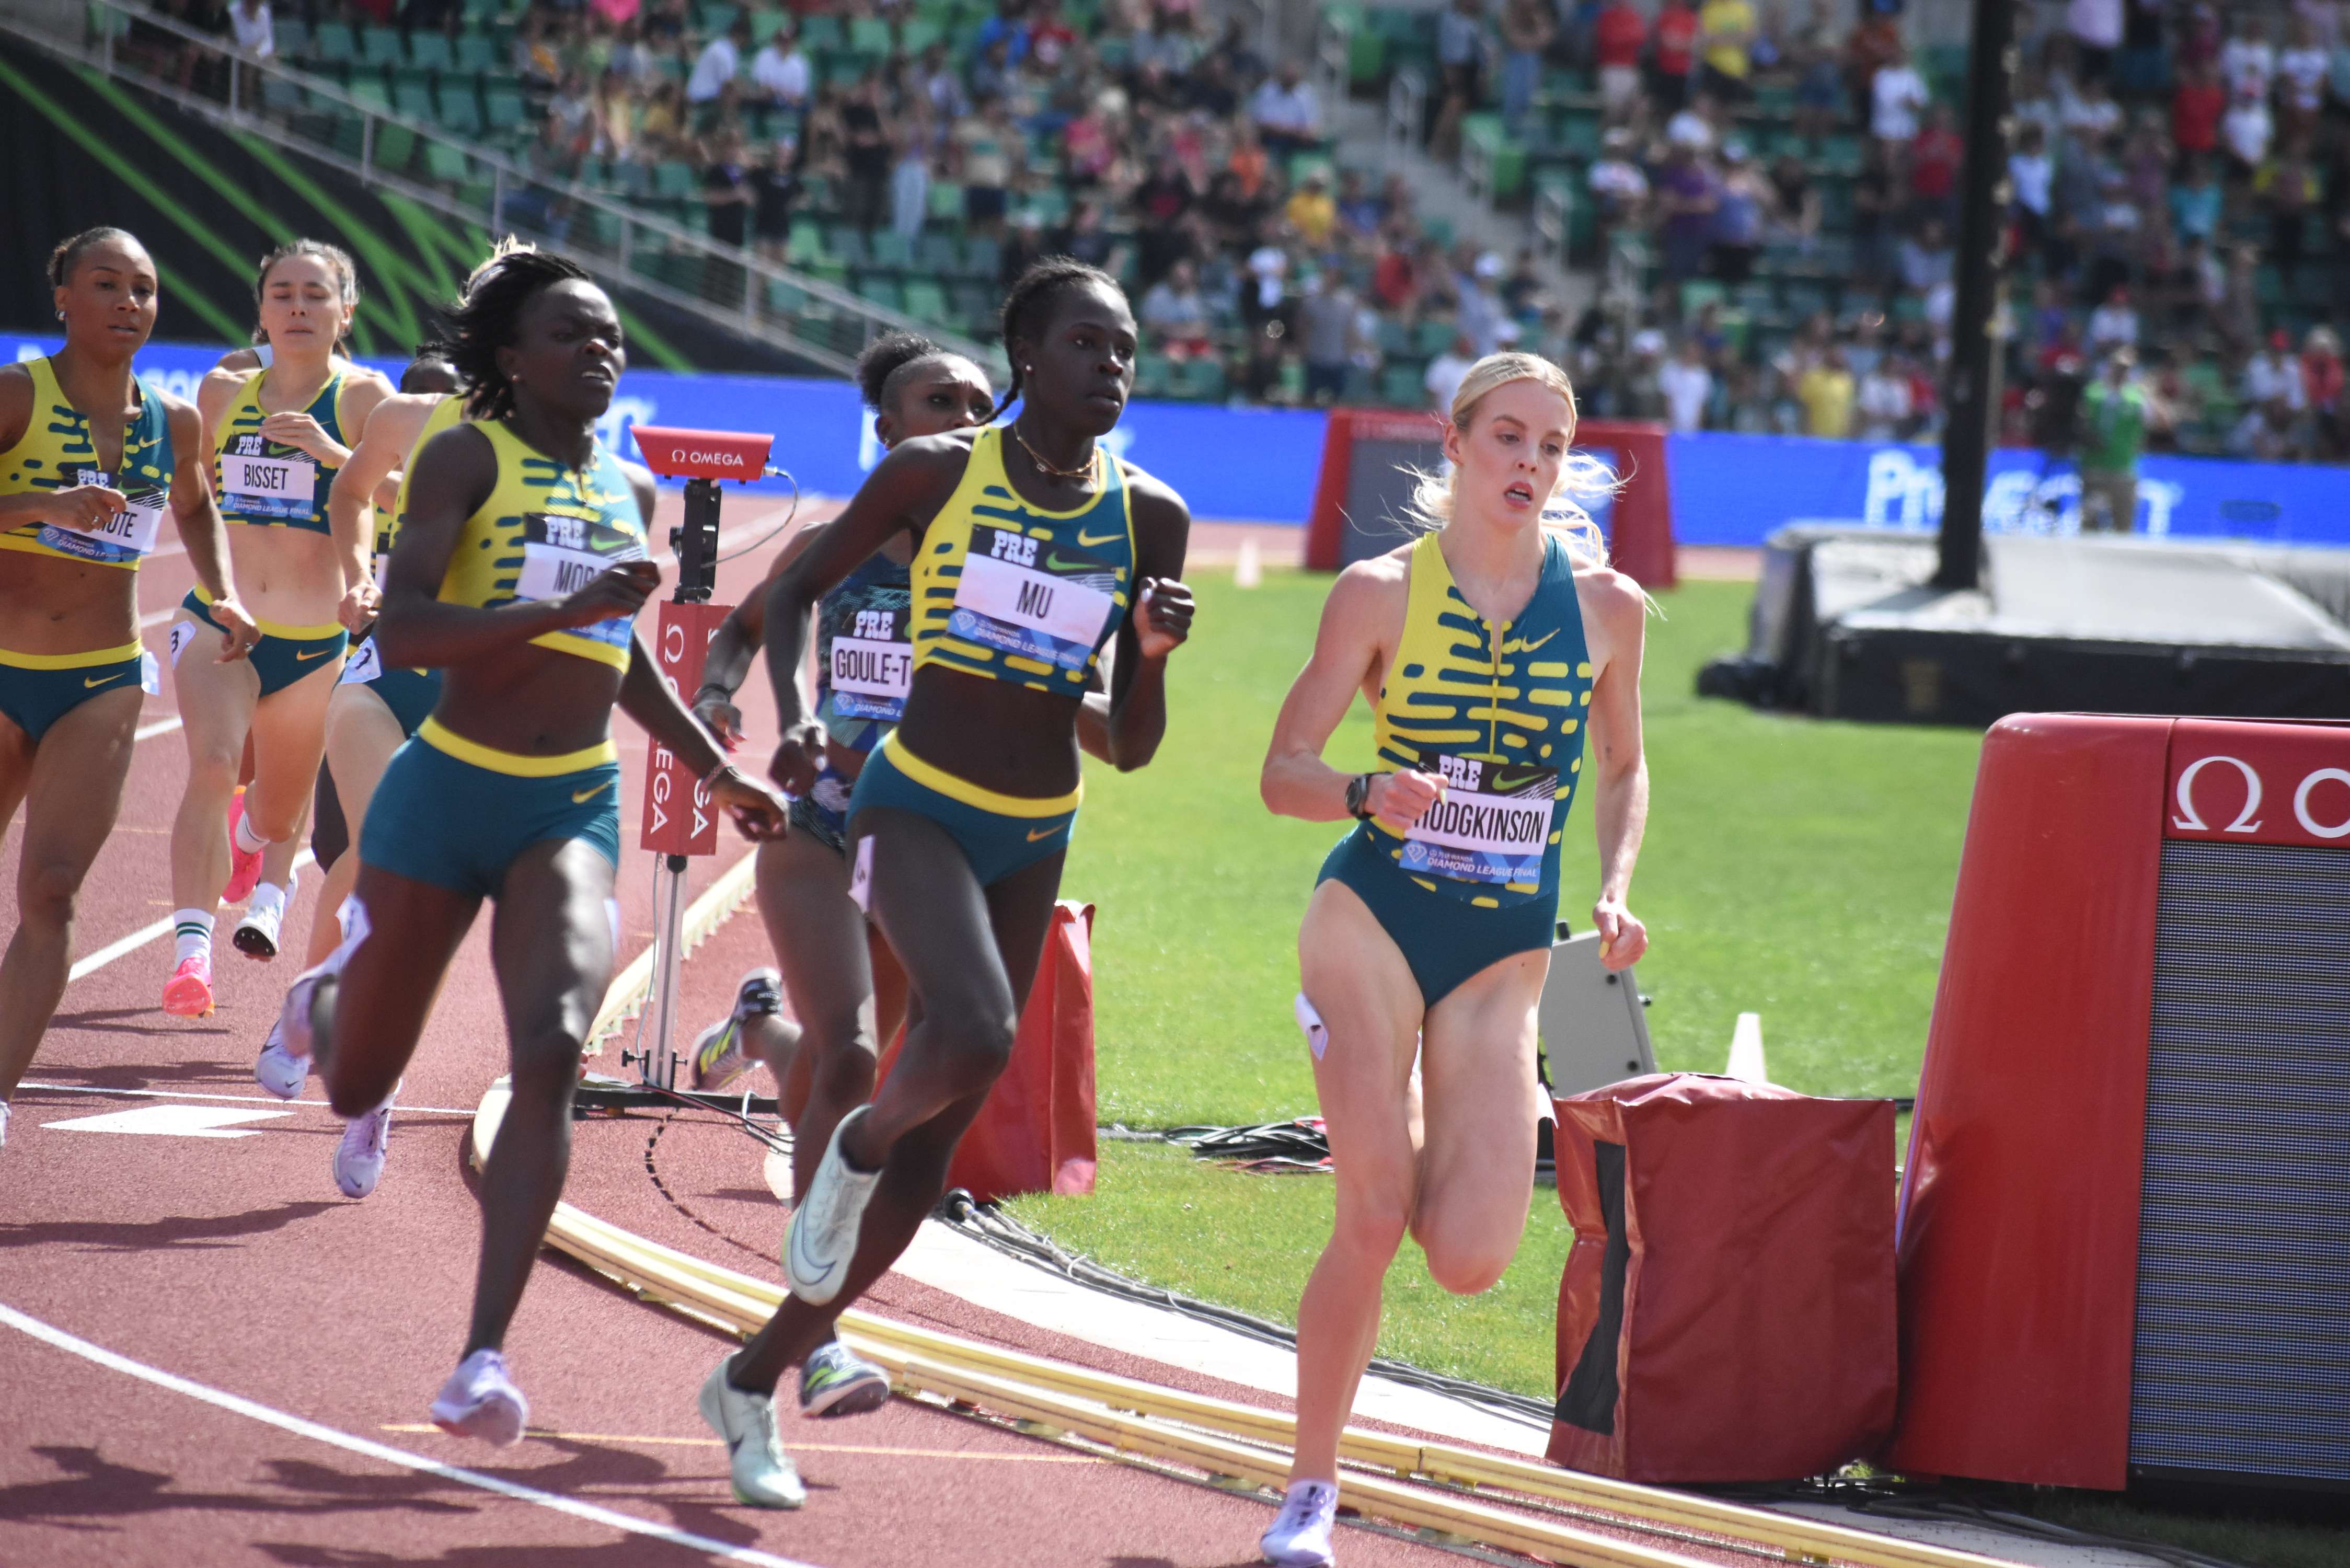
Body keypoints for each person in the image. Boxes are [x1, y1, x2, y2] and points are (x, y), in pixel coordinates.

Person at [699, 260, 1196, 1509]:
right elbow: (796, 588)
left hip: (1037, 826)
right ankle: (848, 1148)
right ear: (1027, 353)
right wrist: (800, 718)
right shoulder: (936, 472)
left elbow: (1132, 746)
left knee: (945, 1131)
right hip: (911, 796)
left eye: (1126, 347)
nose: (1112, 366)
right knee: (966, 1034)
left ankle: (756, 1376)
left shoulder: (1152, 517)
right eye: (1087, 343)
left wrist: (1147, 656)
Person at [273, 249, 789, 1443]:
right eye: (573, 332)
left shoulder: (626, 487)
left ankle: (482, 1356)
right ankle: (327, 999)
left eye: (612, 334)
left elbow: (621, 656)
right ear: (513, 355)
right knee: (357, 1081)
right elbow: (404, 630)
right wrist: (557, 609)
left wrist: (716, 768)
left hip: (568, 800)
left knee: (553, 1047)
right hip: (447, 788)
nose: (601, 350)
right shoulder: (466, 454)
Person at [1256, 353, 1649, 1567]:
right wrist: (1365, 789)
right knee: (1371, 1212)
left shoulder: (1607, 608)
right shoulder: (1377, 592)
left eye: (1552, 445)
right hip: (1372, 919)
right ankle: (1309, 1490)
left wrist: (1617, 888)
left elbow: (1627, 768)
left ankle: (1408, 1094)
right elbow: (1284, 771)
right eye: (1509, 438)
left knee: (1473, 1255)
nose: (1530, 463)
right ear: (1457, 444)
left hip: (1503, 952)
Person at [684, 331, 998, 1422]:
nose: (964, 410)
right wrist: (721, 707)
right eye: (937, 396)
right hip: (813, 832)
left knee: (825, 1057)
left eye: (976, 397)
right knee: (859, 1055)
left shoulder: (999, 562)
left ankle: (755, 1033)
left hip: (922, 849)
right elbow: (735, 634)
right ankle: (818, 1331)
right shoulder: (831, 545)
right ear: (888, 429)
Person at [0, 229, 258, 1151]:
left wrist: (220, 590)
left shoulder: (173, 420)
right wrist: (41, 508)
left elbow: (195, 504)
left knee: (54, 893)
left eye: (144, 290)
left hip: (101, 681)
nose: (128, 303)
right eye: (106, 284)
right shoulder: (16, 395)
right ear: (62, 294)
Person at [253, 347, 465, 1199]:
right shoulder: (410, 429)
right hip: (384, 680)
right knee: (383, 858)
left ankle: (368, 1077)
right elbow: (357, 492)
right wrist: (354, 582)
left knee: (424, 907)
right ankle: (308, 1016)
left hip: (472, 707)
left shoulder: (566, 466)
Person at [164, 243, 393, 1018]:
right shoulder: (224, 391)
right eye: (283, 295)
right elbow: (188, 499)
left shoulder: (366, 399)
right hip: (223, 622)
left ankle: (260, 849)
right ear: (261, 310)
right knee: (213, 763)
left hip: (315, 645)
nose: (299, 308)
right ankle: (191, 955)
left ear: (345, 311)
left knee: (276, 812)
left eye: (316, 296)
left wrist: (335, 455)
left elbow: (407, 500)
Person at [2078, 347, 2152, 533]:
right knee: (2089, 523)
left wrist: (2150, 392)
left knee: (2124, 524)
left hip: (2123, 468)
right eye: (2118, 367)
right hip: (2095, 467)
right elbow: (2080, 422)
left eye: (2127, 368)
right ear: (2110, 367)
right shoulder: (2093, 393)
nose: (2122, 372)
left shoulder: (2137, 398)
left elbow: (2157, 423)